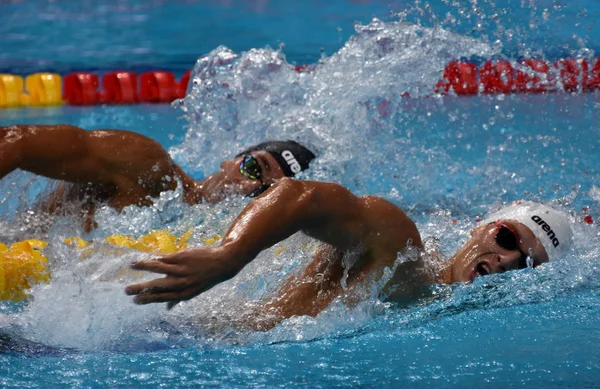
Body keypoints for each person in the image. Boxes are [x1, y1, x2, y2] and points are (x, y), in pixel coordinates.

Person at [125, 179, 574, 330]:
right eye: (509, 240)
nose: (507, 262)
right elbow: (300, 195)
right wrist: (229, 255)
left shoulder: (445, 306)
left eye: (527, 264)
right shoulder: (401, 246)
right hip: (176, 323)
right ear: (481, 226)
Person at [0, 124, 316, 231]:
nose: (249, 186)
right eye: (253, 168)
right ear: (231, 160)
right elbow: (16, 141)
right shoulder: (148, 166)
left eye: (264, 191)